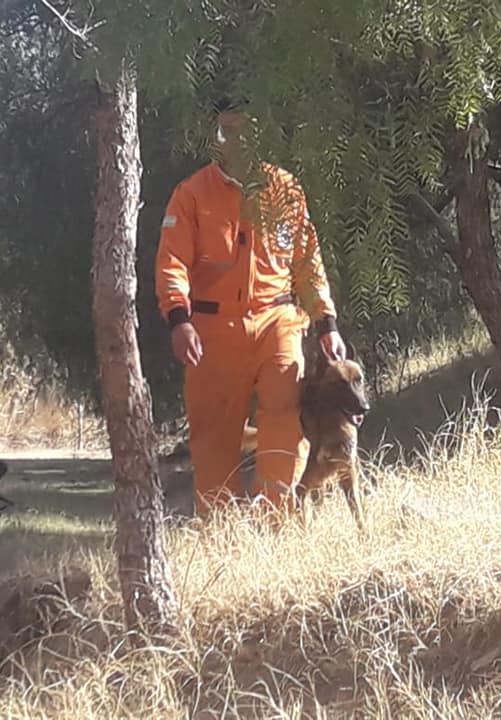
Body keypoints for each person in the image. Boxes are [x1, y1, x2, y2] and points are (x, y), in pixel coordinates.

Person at [154, 94, 347, 516]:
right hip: (212, 330)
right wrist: (179, 319)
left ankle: (277, 521)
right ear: (216, 137)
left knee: (285, 420)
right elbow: (171, 262)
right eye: (228, 131)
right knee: (214, 438)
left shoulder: (286, 190)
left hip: (277, 320)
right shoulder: (191, 194)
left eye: (247, 131)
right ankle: (223, 531)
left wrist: (326, 322)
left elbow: (307, 261)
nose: (238, 140)